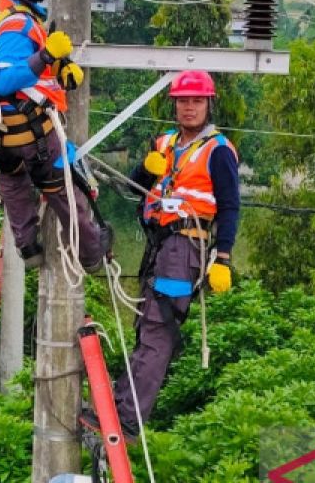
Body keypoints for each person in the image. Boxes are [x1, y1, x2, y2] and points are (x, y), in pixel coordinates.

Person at [82, 70, 239, 441]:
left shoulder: (217, 151)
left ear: (208, 104)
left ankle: (127, 419)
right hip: (160, 245)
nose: (189, 107)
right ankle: (123, 409)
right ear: (175, 105)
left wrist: (224, 258)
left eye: (196, 101)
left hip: (185, 247)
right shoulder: (165, 143)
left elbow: (230, 207)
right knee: (147, 327)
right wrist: (146, 170)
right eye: (183, 101)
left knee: (157, 331)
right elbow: (136, 188)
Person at [0, 0, 110, 272]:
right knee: (63, 189)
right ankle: (92, 254)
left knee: (13, 183)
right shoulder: (17, 22)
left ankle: (28, 247)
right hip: (27, 128)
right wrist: (47, 55)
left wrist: (59, 67)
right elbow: (4, 80)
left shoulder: (1, 7)